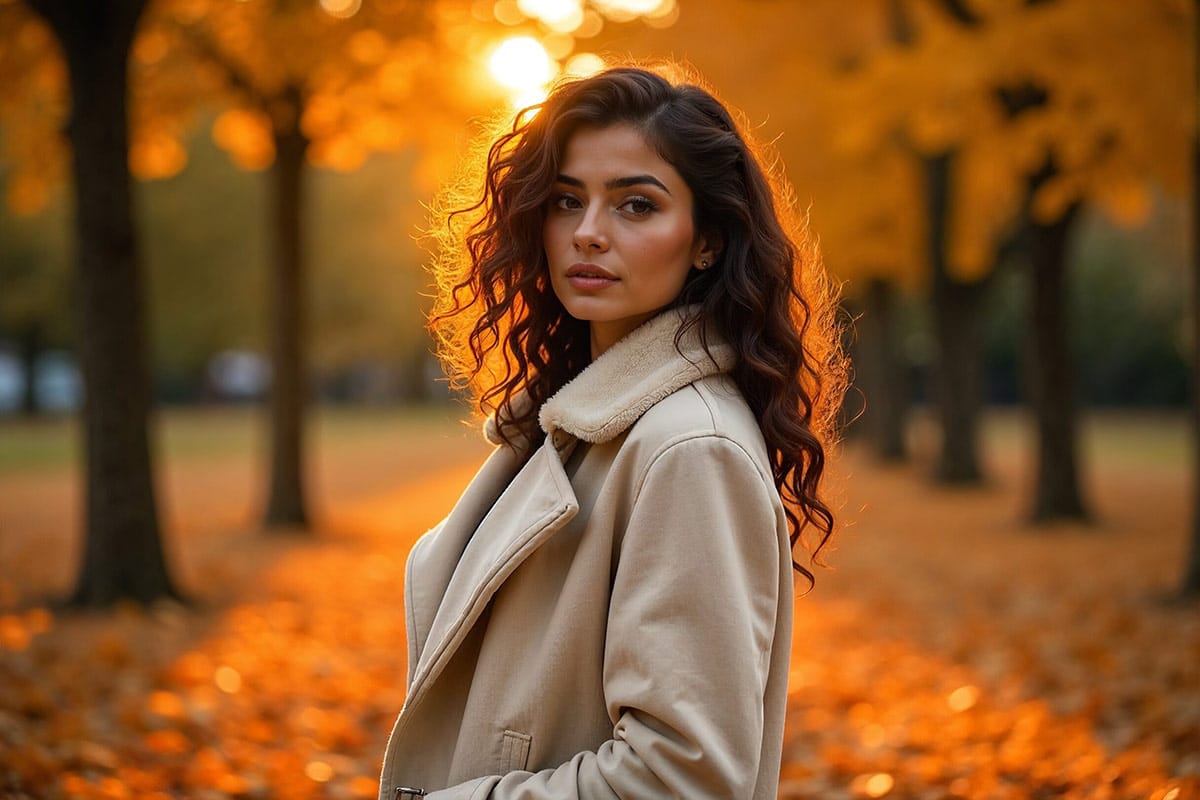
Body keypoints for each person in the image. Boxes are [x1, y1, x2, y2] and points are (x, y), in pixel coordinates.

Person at [378, 65, 845, 800]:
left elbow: (682, 777)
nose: (589, 233)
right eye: (568, 201)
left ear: (707, 242)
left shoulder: (691, 447)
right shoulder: (580, 427)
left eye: (636, 204)